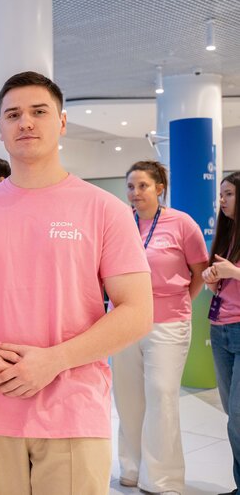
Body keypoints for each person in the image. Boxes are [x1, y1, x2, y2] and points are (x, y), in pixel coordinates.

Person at [0, 71, 153, 495]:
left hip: (73, 407)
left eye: (39, 111)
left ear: (62, 122)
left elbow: (137, 311)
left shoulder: (103, 209)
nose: (26, 122)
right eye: (13, 114)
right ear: (0, 128)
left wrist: (54, 361)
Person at [111, 160, 208, 494]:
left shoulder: (182, 224)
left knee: (162, 396)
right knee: (127, 399)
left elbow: (199, 273)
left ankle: (163, 478)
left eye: (143, 186)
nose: (135, 193)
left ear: (159, 188)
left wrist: (177, 302)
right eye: (130, 186)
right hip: (123, 322)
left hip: (168, 323)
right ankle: (132, 467)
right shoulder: (120, 223)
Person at [203, 171, 240, 495]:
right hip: (220, 329)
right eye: (221, 194)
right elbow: (224, 286)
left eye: (228, 193)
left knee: (238, 418)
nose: (222, 200)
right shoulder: (227, 235)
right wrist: (213, 280)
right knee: (233, 417)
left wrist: (234, 272)